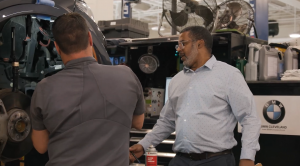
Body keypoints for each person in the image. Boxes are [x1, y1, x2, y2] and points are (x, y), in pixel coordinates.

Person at [129, 26, 261, 166]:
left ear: (199, 44)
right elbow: (167, 121)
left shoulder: (229, 75)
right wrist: (144, 145)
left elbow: (249, 118)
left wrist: (247, 158)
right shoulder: (177, 80)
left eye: (183, 43)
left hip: (216, 160)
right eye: (178, 45)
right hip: (181, 160)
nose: (178, 49)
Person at [30, 13, 145, 166]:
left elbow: (41, 146)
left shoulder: (44, 88)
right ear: (90, 39)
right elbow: (138, 122)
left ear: (57, 47)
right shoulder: (127, 75)